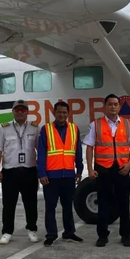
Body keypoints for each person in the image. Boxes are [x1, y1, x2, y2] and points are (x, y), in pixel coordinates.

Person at [83, 94, 130, 247]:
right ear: (105, 106)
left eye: (116, 104)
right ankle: (102, 235)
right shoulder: (96, 124)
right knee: (103, 204)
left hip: (122, 169)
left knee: (124, 204)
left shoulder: (128, 124)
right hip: (103, 170)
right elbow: (89, 147)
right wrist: (90, 169)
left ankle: (126, 235)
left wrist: (129, 164)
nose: (113, 107)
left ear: (119, 106)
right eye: (110, 104)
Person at [0, 100, 40, 245]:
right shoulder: (4, 129)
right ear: (13, 111)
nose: (20, 112)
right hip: (10, 172)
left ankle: (32, 229)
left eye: (23, 110)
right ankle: (7, 231)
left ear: (27, 112)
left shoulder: (35, 128)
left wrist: (42, 170)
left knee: (31, 203)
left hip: (29, 171)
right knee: (9, 204)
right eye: (17, 109)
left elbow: (40, 150)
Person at [37, 101, 84, 246]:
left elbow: (78, 152)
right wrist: (42, 173)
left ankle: (69, 232)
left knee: (68, 206)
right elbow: (42, 153)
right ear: (54, 113)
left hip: (68, 175)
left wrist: (79, 170)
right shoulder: (46, 129)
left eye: (64, 112)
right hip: (51, 176)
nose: (62, 115)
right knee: (50, 207)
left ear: (68, 114)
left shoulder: (74, 129)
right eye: (59, 112)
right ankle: (51, 234)